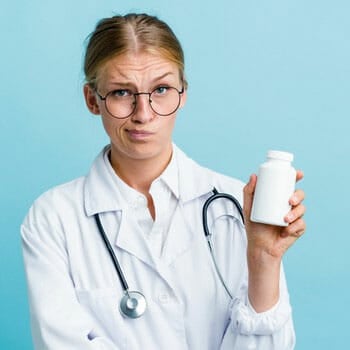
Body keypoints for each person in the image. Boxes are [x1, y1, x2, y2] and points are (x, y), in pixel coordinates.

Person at [21, 13, 306, 350]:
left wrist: (263, 260)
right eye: (121, 92)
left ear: (183, 93)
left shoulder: (235, 205)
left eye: (161, 89)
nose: (143, 112)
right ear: (91, 100)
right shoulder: (53, 218)